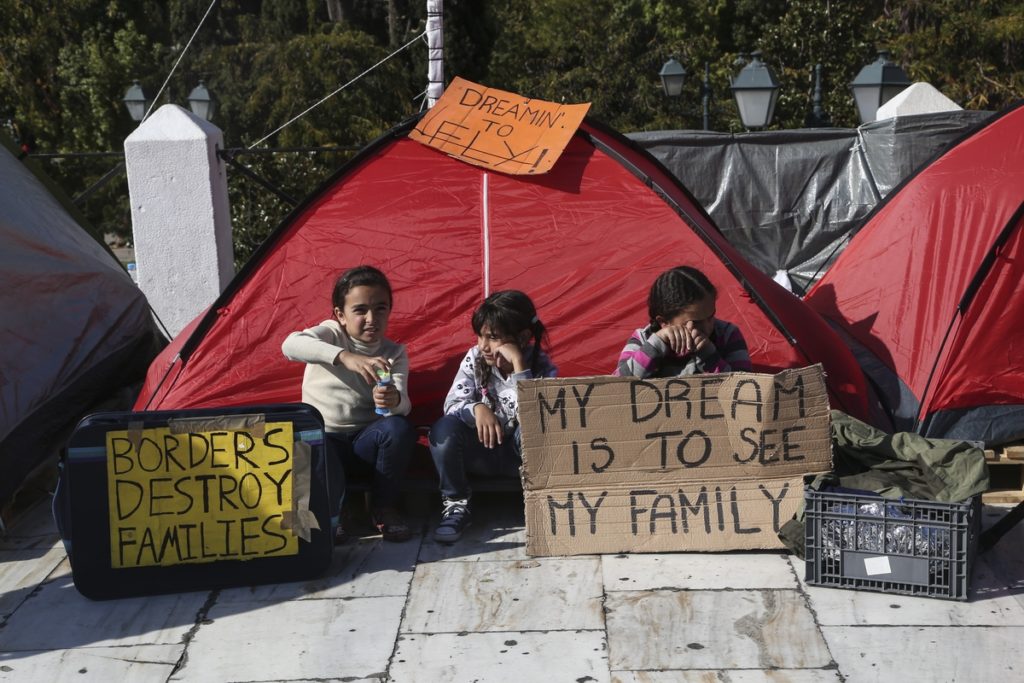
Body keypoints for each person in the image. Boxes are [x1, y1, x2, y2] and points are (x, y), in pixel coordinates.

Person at [282, 265, 415, 543]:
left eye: (380, 308)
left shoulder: (394, 353)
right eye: (360, 310)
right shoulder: (331, 334)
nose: (371, 318)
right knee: (312, 442)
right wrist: (345, 357)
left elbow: (402, 403)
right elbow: (291, 345)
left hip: (366, 445)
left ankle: (384, 507)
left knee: (398, 428)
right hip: (327, 439)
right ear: (340, 315)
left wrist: (394, 400)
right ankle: (335, 512)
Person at [429, 290, 557, 543]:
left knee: (535, 429)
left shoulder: (542, 367)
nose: (483, 345)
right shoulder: (475, 359)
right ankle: (456, 503)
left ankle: (541, 502)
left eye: (493, 337)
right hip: (479, 455)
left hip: (517, 460)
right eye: (480, 336)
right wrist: (477, 408)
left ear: (522, 337)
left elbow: (538, 420)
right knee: (443, 429)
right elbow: (452, 404)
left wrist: (520, 368)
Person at [614, 265, 751, 378]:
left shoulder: (727, 335)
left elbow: (745, 387)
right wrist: (656, 345)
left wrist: (709, 355)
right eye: (695, 322)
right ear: (664, 322)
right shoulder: (643, 339)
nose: (707, 327)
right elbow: (616, 386)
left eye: (711, 316)